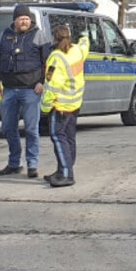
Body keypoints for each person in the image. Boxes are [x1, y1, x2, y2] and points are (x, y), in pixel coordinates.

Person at [0, 3, 50, 178]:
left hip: (31, 89)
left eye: (26, 19)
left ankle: (32, 164)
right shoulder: (4, 36)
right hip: (9, 90)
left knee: (31, 129)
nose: (24, 22)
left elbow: (47, 62)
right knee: (8, 128)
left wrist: (42, 82)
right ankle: (14, 163)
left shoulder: (39, 35)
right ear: (14, 20)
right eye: (21, 19)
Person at [40, 25, 89, 188]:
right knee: (69, 138)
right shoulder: (76, 50)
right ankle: (63, 169)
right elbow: (85, 45)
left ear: (54, 38)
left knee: (58, 138)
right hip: (74, 104)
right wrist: (84, 35)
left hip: (60, 106)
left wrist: (45, 107)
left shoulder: (56, 57)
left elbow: (51, 86)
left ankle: (67, 174)